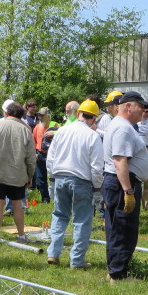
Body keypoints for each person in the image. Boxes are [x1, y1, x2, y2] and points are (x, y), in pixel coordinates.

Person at [46, 99, 103, 270]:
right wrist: (97, 188)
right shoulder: (93, 136)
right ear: (94, 119)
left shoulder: (62, 131)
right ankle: (77, 261)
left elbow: (51, 158)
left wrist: (52, 177)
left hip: (60, 178)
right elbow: (97, 167)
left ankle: (53, 254)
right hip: (81, 181)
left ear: (78, 114)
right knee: (82, 220)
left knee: (59, 216)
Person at [102, 91, 148, 282]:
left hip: (119, 182)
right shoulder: (123, 128)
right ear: (129, 107)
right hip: (122, 183)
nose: (144, 111)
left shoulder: (122, 125)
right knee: (124, 228)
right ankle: (118, 274)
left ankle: (115, 269)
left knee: (117, 227)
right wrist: (128, 191)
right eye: (141, 107)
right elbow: (120, 160)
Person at [0, 99, 35, 246]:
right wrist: (30, 176)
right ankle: (22, 236)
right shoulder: (26, 129)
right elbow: (31, 158)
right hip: (18, 173)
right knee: (17, 204)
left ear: (6, 112)